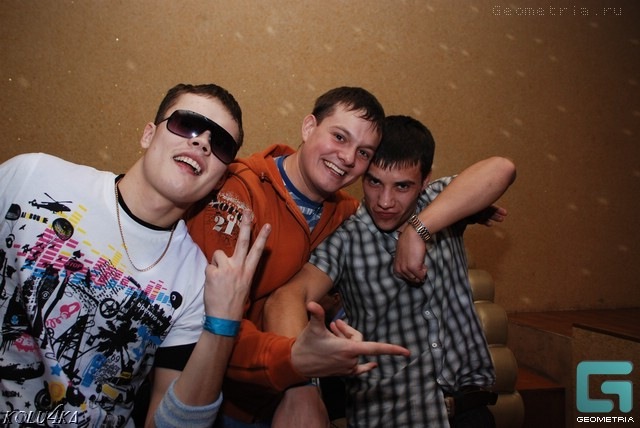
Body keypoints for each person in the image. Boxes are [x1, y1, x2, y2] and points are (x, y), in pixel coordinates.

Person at [0, 83, 272, 427]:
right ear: (148, 135)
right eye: (187, 123)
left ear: (220, 180)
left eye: (220, 144)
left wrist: (224, 322)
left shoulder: (196, 283)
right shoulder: (32, 177)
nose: (202, 142)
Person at [264, 115, 517, 427]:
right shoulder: (347, 236)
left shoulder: (440, 202)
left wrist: (419, 229)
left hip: (470, 415)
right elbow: (285, 298)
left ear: (425, 181)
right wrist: (300, 389)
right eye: (374, 182)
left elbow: (502, 168)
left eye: (402, 186)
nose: (385, 201)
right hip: (390, 418)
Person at [186, 87, 411, 427]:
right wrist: (298, 373)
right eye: (339, 137)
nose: (348, 157)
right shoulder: (239, 194)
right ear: (308, 127)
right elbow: (206, 325)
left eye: (363, 152)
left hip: (287, 398)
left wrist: (424, 226)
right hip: (220, 403)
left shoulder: (345, 214)